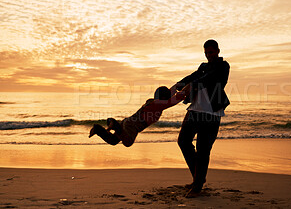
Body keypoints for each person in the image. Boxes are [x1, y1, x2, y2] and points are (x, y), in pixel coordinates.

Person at [171, 39, 230, 198]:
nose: (209, 55)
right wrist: (176, 86)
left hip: (211, 113)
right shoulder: (203, 67)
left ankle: (197, 186)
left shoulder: (223, 66)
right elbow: (192, 76)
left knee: (203, 150)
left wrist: (192, 84)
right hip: (195, 110)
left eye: (211, 52)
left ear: (217, 51)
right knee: (183, 141)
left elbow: (212, 78)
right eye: (206, 53)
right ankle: (199, 177)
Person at [89, 85, 190, 147]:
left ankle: (98, 129)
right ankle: (115, 125)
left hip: (128, 122)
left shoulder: (152, 102)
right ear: (163, 97)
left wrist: (178, 86)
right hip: (133, 125)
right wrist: (185, 92)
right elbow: (172, 101)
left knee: (114, 141)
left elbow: (170, 93)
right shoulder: (158, 105)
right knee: (127, 143)